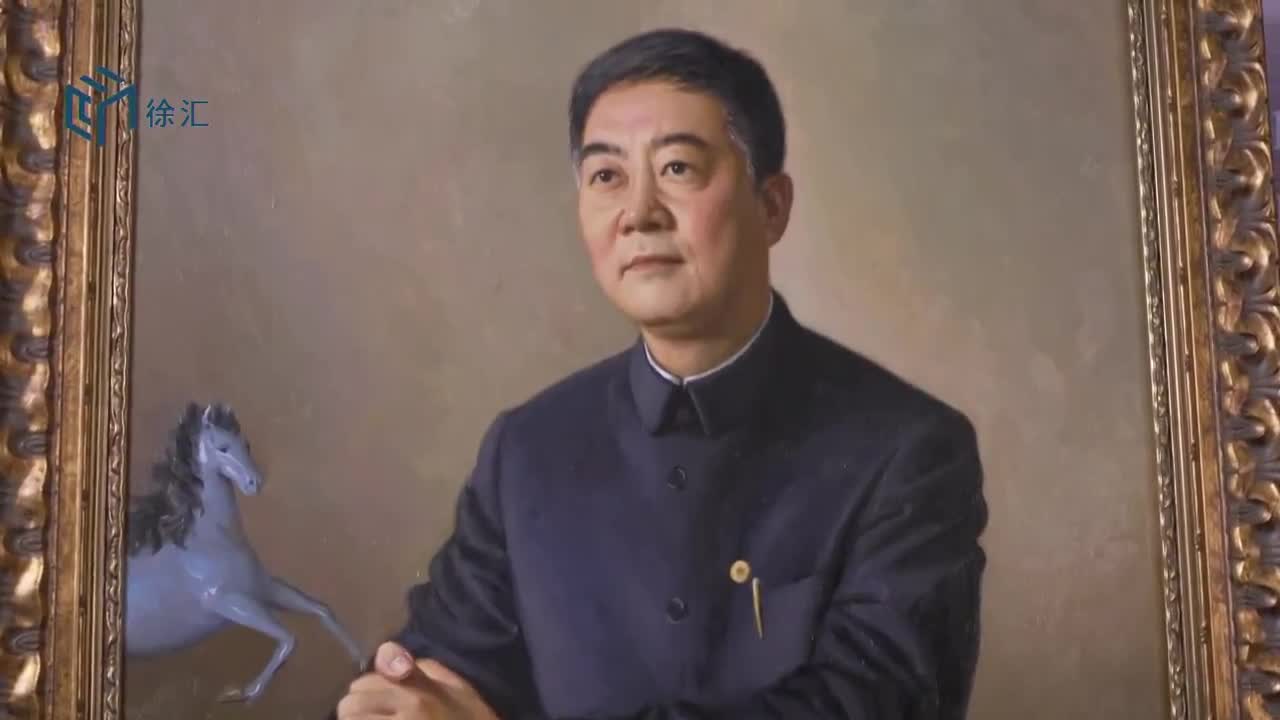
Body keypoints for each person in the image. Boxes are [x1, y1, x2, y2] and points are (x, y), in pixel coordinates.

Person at [335, 27, 987, 720]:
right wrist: (397, 701)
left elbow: (870, 702)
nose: (639, 214)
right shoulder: (526, 449)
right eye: (607, 177)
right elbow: (443, 670)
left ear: (771, 207)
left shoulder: (909, 450)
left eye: (677, 168)